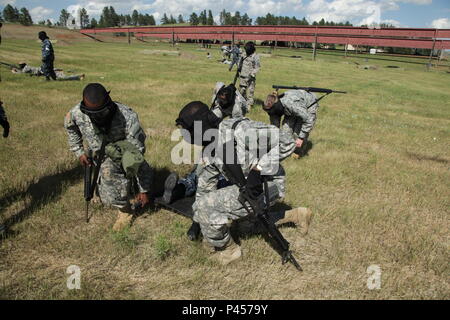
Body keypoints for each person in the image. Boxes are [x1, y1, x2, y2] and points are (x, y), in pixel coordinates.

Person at [175, 101, 313, 265]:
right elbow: (205, 187)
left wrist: (258, 169)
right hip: (246, 190)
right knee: (243, 227)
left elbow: (287, 142)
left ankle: (229, 251)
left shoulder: (239, 130)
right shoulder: (209, 150)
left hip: (268, 184)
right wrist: (197, 221)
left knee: (206, 207)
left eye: (188, 131)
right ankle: (297, 215)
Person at [64, 83, 153, 231]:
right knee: (107, 197)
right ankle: (113, 189)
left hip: (124, 154)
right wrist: (79, 152)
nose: (97, 116)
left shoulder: (127, 116)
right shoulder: (76, 113)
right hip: (100, 156)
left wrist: (144, 190)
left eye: (101, 112)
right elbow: (71, 128)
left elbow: (137, 157)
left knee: (113, 177)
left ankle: (125, 211)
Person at [162, 82, 248, 205]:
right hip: (221, 156)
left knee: (196, 177)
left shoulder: (225, 107)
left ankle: (179, 189)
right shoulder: (227, 106)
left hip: (212, 150)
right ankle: (188, 187)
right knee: (221, 181)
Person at [263, 89, 318, 158]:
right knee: (285, 131)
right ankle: (285, 151)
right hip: (291, 110)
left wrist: (301, 138)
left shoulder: (290, 104)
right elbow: (275, 124)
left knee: (297, 134)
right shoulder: (273, 108)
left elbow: (308, 120)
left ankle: (297, 153)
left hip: (308, 105)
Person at [238, 42, 260, 108]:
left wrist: (252, 74)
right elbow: (240, 63)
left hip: (250, 77)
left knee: (250, 91)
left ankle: (249, 105)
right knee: (242, 91)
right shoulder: (243, 54)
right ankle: (243, 103)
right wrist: (238, 71)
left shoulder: (255, 56)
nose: (246, 51)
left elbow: (257, 67)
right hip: (242, 76)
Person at [11, 62, 85, 81]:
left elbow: (22, 73)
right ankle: (78, 77)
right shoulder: (28, 67)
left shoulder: (26, 68)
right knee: (62, 76)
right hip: (47, 69)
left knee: (63, 78)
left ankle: (78, 77)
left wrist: (14, 71)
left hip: (46, 71)